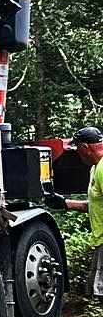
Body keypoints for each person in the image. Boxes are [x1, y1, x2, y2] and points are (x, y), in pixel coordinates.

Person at [63, 124, 103, 299]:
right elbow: (93, 205)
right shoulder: (95, 168)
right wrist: (64, 203)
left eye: (78, 150)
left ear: (85, 148)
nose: (77, 155)